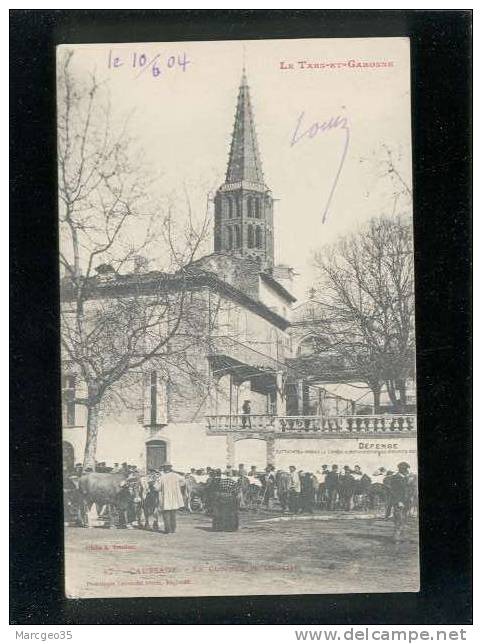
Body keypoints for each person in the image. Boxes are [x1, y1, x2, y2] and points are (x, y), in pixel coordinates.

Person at [386, 462, 411, 542]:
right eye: (404, 469)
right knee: (398, 519)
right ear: (400, 469)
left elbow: (407, 490)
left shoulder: (406, 478)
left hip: (406, 501)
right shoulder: (395, 478)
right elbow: (393, 491)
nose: (406, 471)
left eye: (406, 469)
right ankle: (395, 537)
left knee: (404, 519)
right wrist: (399, 501)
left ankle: (402, 537)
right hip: (399, 502)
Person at [156, 463, 184, 534]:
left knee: (166, 514)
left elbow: (157, 488)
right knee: (173, 514)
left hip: (166, 497)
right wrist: (177, 486)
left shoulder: (162, 477)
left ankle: (168, 530)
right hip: (174, 497)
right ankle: (173, 529)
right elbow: (183, 482)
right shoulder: (176, 476)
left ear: (164, 469)